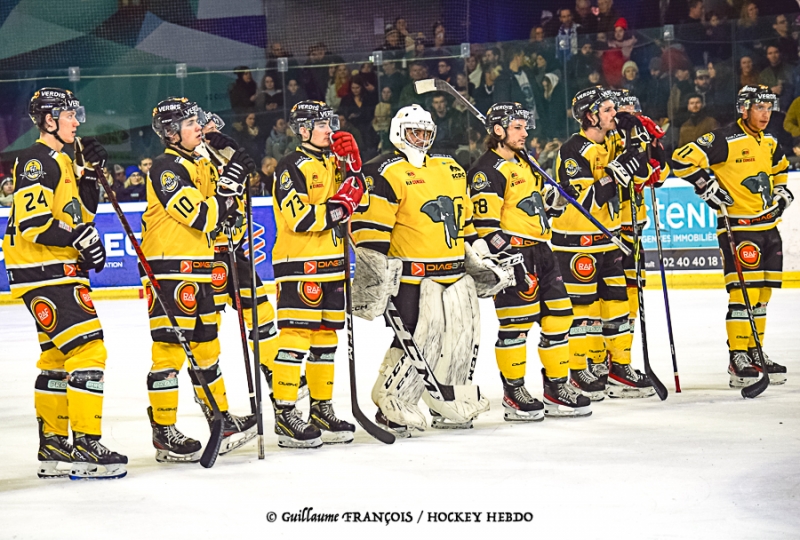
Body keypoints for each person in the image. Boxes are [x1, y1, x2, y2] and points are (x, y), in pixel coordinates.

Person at [2, 88, 127, 478]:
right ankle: (87, 444)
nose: (78, 121)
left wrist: (90, 174)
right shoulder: (37, 160)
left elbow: (83, 212)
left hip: (49, 270)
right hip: (46, 270)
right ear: (49, 120)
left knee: (56, 359)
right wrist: (77, 239)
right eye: (70, 115)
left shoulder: (64, 161)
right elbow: (33, 223)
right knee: (90, 351)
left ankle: (54, 448)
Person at [351, 104, 490, 434]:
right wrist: (374, 281)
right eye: (414, 131)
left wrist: (479, 255)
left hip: (455, 276)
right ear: (399, 133)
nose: (421, 138)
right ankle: (393, 402)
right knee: (417, 340)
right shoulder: (385, 171)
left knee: (458, 339)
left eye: (426, 132)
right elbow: (370, 233)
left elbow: (464, 220)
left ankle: (450, 400)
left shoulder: (451, 168)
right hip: (413, 278)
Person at [143, 97, 257, 462]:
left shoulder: (199, 163)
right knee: (170, 350)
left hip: (200, 265)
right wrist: (229, 185)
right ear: (172, 132)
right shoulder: (166, 168)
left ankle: (219, 419)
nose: (199, 128)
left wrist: (233, 167)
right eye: (191, 123)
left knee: (207, 346)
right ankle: (163, 430)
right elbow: (203, 216)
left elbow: (225, 215)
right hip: (169, 269)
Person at [468, 102, 584, 419]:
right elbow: (486, 227)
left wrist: (557, 199)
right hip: (513, 255)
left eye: (524, 126)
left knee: (560, 318)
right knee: (516, 326)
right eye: (517, 127)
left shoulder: (526, 161)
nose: (525, 132)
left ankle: (557, 386)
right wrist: (507, 259)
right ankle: (514, 392)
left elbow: (539, 205)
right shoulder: (485, 171)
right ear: (498, 130)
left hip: (543, 250)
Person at [672, 85, 791, 387]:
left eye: (769, 107)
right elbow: (680, 160)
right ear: (744, 108)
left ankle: (755, 351)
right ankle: (737, 356)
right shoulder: (724, 138)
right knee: (743, 294)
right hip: (738, 229)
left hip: (768, 228)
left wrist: (781, 192)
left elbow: (780, 168)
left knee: (762, 296)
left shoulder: (769, 141)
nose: (766, 114)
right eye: (760, 107)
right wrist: (706, 186)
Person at [270, 101, 366, 448]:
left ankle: (320, 408)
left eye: (331, 122)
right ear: (303, 130)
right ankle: (285, 413)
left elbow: (361, 199)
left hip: (332, 263)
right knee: (296, 339)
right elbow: (301, 218)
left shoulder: (336, 163)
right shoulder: (290, 166)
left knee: (326, 340)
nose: (330, 129)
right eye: (321, 124)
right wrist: (342, 206)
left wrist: (354, 167)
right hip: (300, 264)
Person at [551, 87, 656, 400]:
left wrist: (640, 146)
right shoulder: (572, 151)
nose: (615, 114)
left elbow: (645, 172)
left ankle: (618, 367)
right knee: (582, 311)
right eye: (608, 110)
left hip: (609, 239)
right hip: (576, 243)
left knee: (617, 306)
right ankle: (579, 370)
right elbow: (590, 199)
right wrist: (622, 165)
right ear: (590, 116)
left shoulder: (613, 140)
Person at [196, 113, 292, 415]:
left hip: (233, 254)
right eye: (207, 130)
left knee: (262, 315)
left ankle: (280, 388)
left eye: (214, 130)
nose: (213, 135)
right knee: (204, 339)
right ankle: (215, 409)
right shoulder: (190, 164)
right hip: (202, 259)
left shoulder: (221, 158)